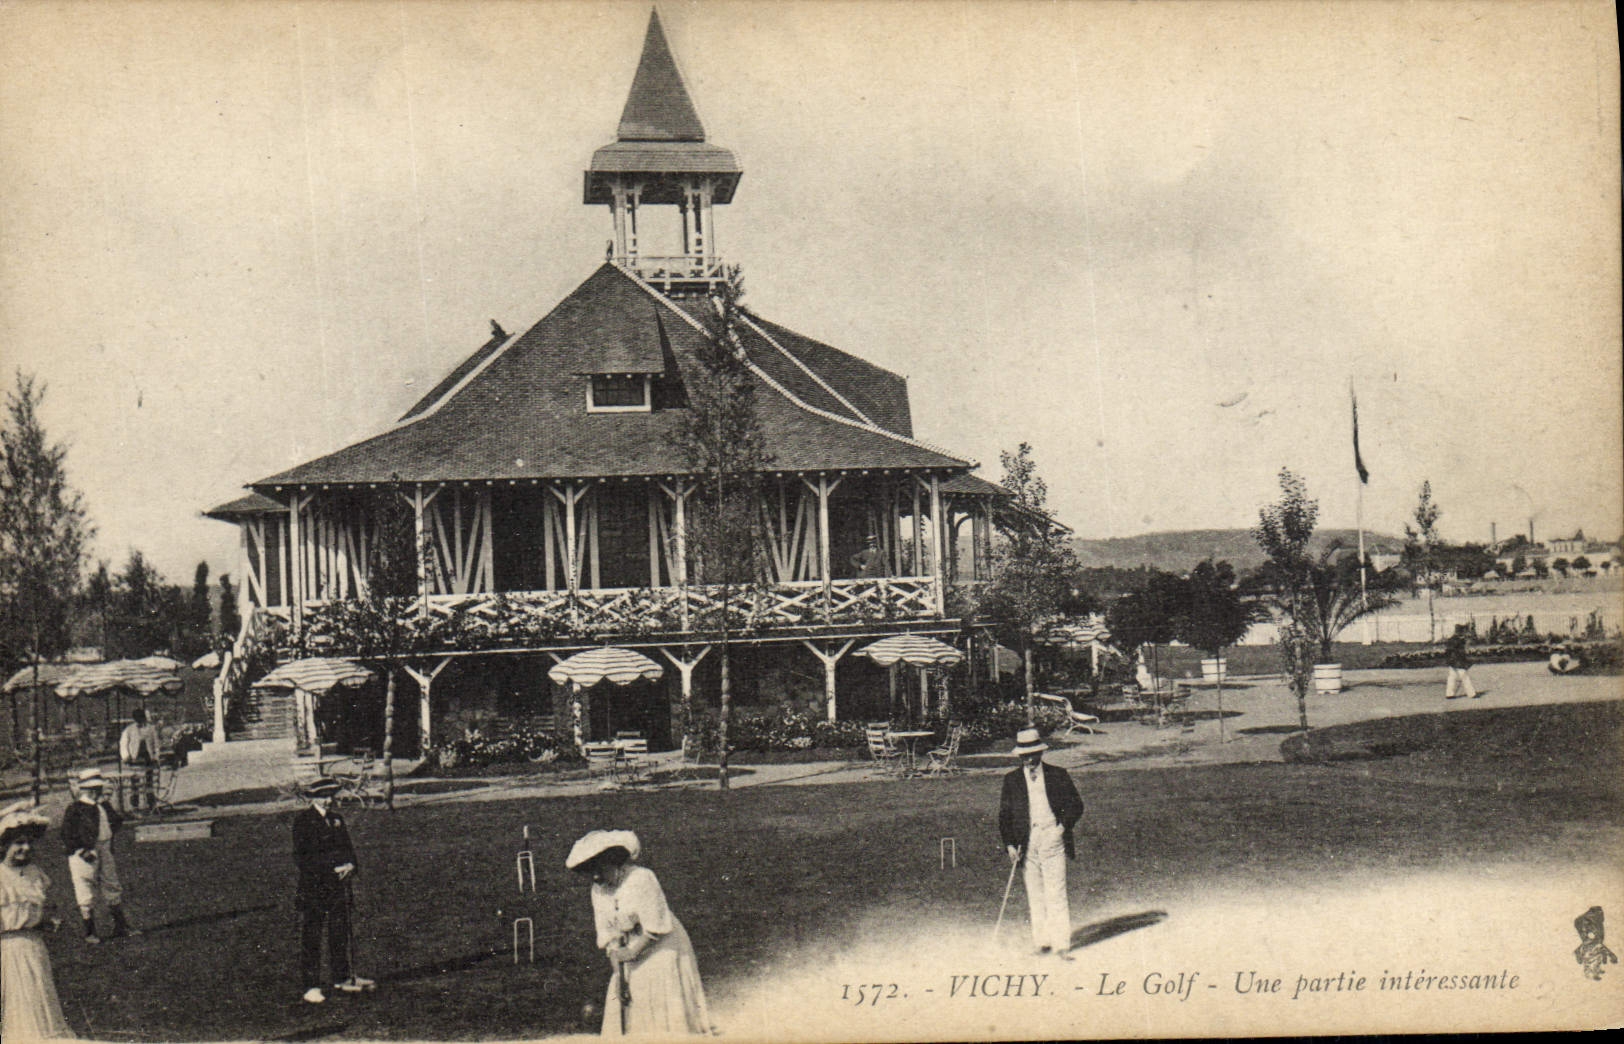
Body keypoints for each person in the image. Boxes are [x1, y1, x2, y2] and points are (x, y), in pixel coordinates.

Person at [566, 829, 711, 1037]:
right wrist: (619, 975)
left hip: (662, 945)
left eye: (600, 869)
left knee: (658, 995)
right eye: (590, 872)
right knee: (623, 998)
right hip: (630, 948)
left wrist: (632, 954)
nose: (596, 876)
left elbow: (655, 928)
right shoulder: (598, 890)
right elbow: (609, 937)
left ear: (615, 862)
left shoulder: (642, 879)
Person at [997, 727, 1085, 957]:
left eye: (1032, 754)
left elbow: (1076, 805)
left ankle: (1062, 944)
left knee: (1055, 893)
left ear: (1040, 752)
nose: (1028, 759)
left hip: (1052, 839)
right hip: (1026, 844)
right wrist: (1009, 845)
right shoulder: (1012, 780)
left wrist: (1059, 829)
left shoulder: (1058, 775)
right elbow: (1004, 817)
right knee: (1035, 895)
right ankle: (1043, 941)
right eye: (1024, 755)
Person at [292, 778, 373, 1004]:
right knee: (313, 935)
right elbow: (303, 858)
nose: (327, 800)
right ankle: (311, 986)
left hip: (339, 886)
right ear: (313, 798)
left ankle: (342, 977)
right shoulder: (303, 821)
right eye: (322, 796)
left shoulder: (337, 819)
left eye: (330, 796)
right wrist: (331, 869)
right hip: (314, 888)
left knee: (339, 930)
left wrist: (350, 865)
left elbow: (347, 847)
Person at [2, 802, 74, 1040]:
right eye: (18, 843)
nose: (25, 848)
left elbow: (42, 908)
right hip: (8, 951)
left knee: (38, 999)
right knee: (18, 1003)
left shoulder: (34, 872)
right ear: (4, 845)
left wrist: (46, 921)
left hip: (34, 948)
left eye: (29, 842)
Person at [60, 768, 138, 944]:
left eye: (98, 789)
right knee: (85, 887)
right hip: (85, 852)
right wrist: (82, 851)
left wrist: (107, 804)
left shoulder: (102, 806)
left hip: (104, 848)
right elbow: (67, 834)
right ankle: (90, 931)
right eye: (95, 789)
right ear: (86, 790)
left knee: (111, 883)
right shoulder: (75, 809)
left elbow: (116, 822)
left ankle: (121, 926)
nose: (98, 792)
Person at [119, 709, 162, 812]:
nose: (140, 720)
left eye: (141, 718)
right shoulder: (129, 730)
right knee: (135, 783)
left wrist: (156, 756)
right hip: (134, 759)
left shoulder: (151, 729)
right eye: (137, 719)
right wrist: (126, 756)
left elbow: (156, 744)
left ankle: (151, 804)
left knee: (149, 782)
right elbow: (123, 744)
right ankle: (135, 805)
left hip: (148, 759)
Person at [1443, 625, 1479, 699]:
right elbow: (1461, 651)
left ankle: (1449, 694)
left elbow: (1448, 651)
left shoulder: (1451, 639)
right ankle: (1471, 693)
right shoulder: (1459, 640)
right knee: (1464, 676)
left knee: (1452, 677)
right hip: (1458, 661)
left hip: (1452, 661)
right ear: (1460, 631)